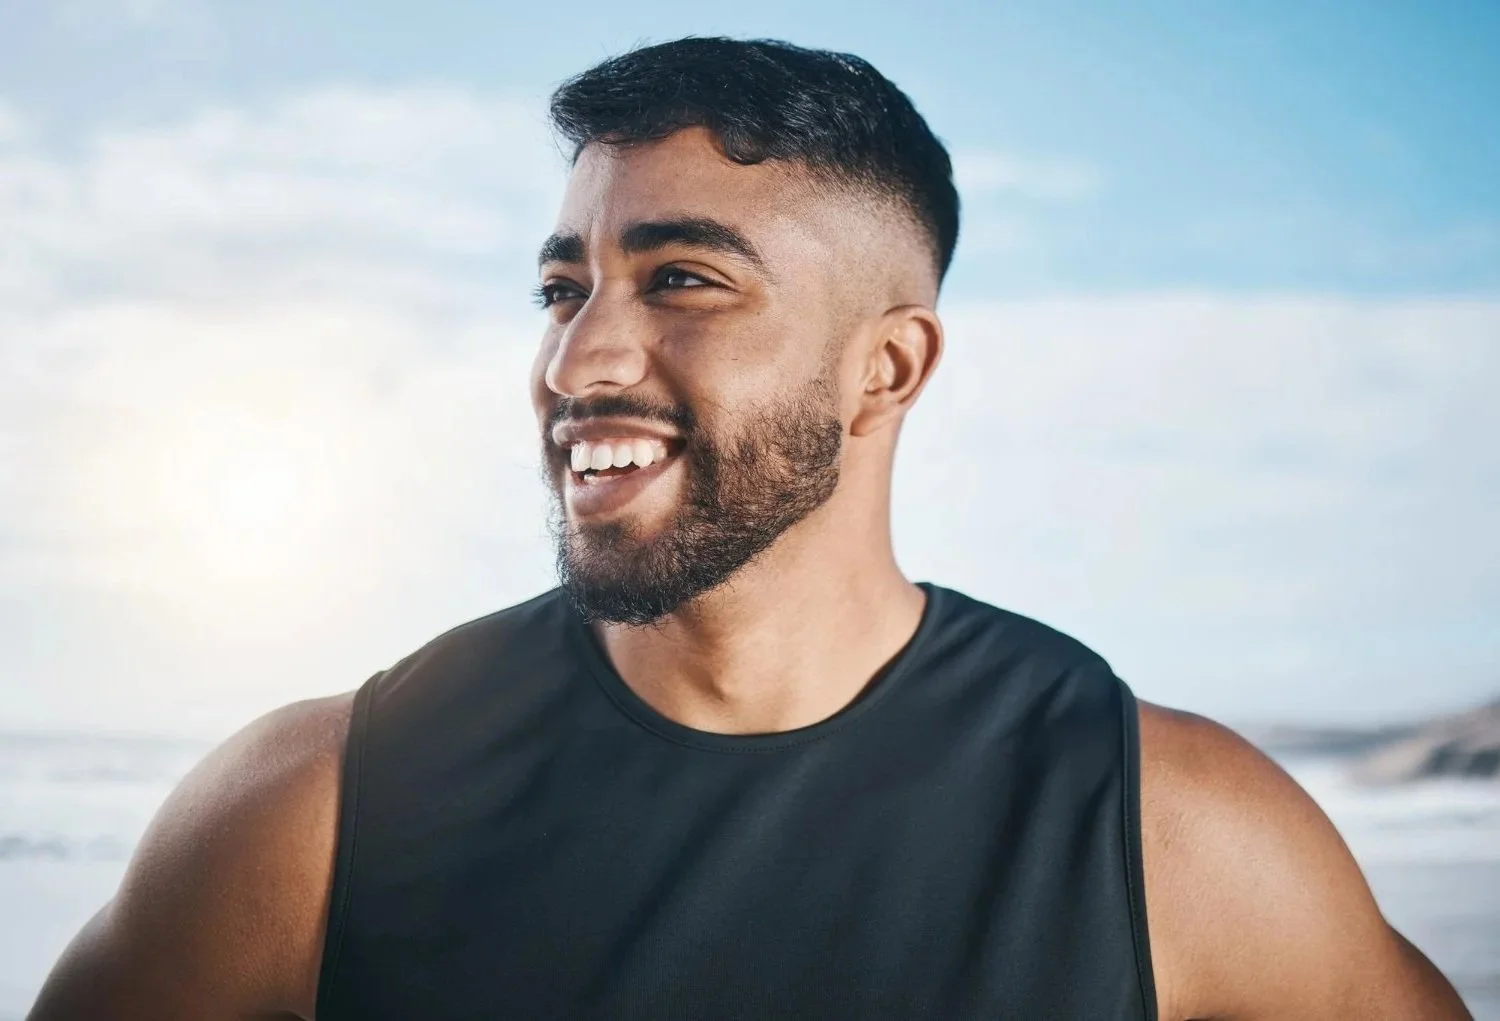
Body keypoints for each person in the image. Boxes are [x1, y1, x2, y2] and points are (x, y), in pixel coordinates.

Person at [28, 37, 1472, 1021]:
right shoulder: (312, 812)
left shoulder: (1174, 834)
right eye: (562, 289)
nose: (578, 360)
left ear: (885, 369)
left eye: (683, 280)